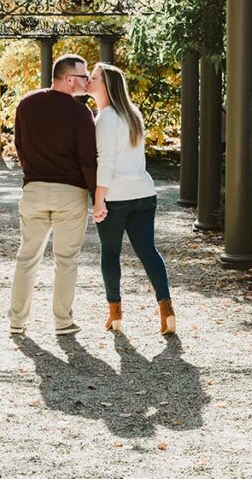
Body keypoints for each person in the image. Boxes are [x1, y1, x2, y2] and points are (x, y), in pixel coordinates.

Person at [8, 54, 96, 336]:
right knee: (66, 260)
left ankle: (17, 321)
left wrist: (32, 173)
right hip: (69, 194)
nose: (87, 81)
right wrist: (97, 195)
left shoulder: (26, 103)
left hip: (33, 191)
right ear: (69, 79)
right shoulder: (81, 114)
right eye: (84, 77)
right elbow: (88, 160)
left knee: (27, 257)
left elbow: (19, 144)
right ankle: (62, 321)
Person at [88, 62, 176, 335]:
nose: (88, 81)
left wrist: (99, 200)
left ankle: (115, 313)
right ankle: (167, 310)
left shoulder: (105, 118)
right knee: (148, 252)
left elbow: (106, 162)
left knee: (111, 253)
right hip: (144, 194)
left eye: (93, 77)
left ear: (106, 85)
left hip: (116, 198)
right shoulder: (132, 114)